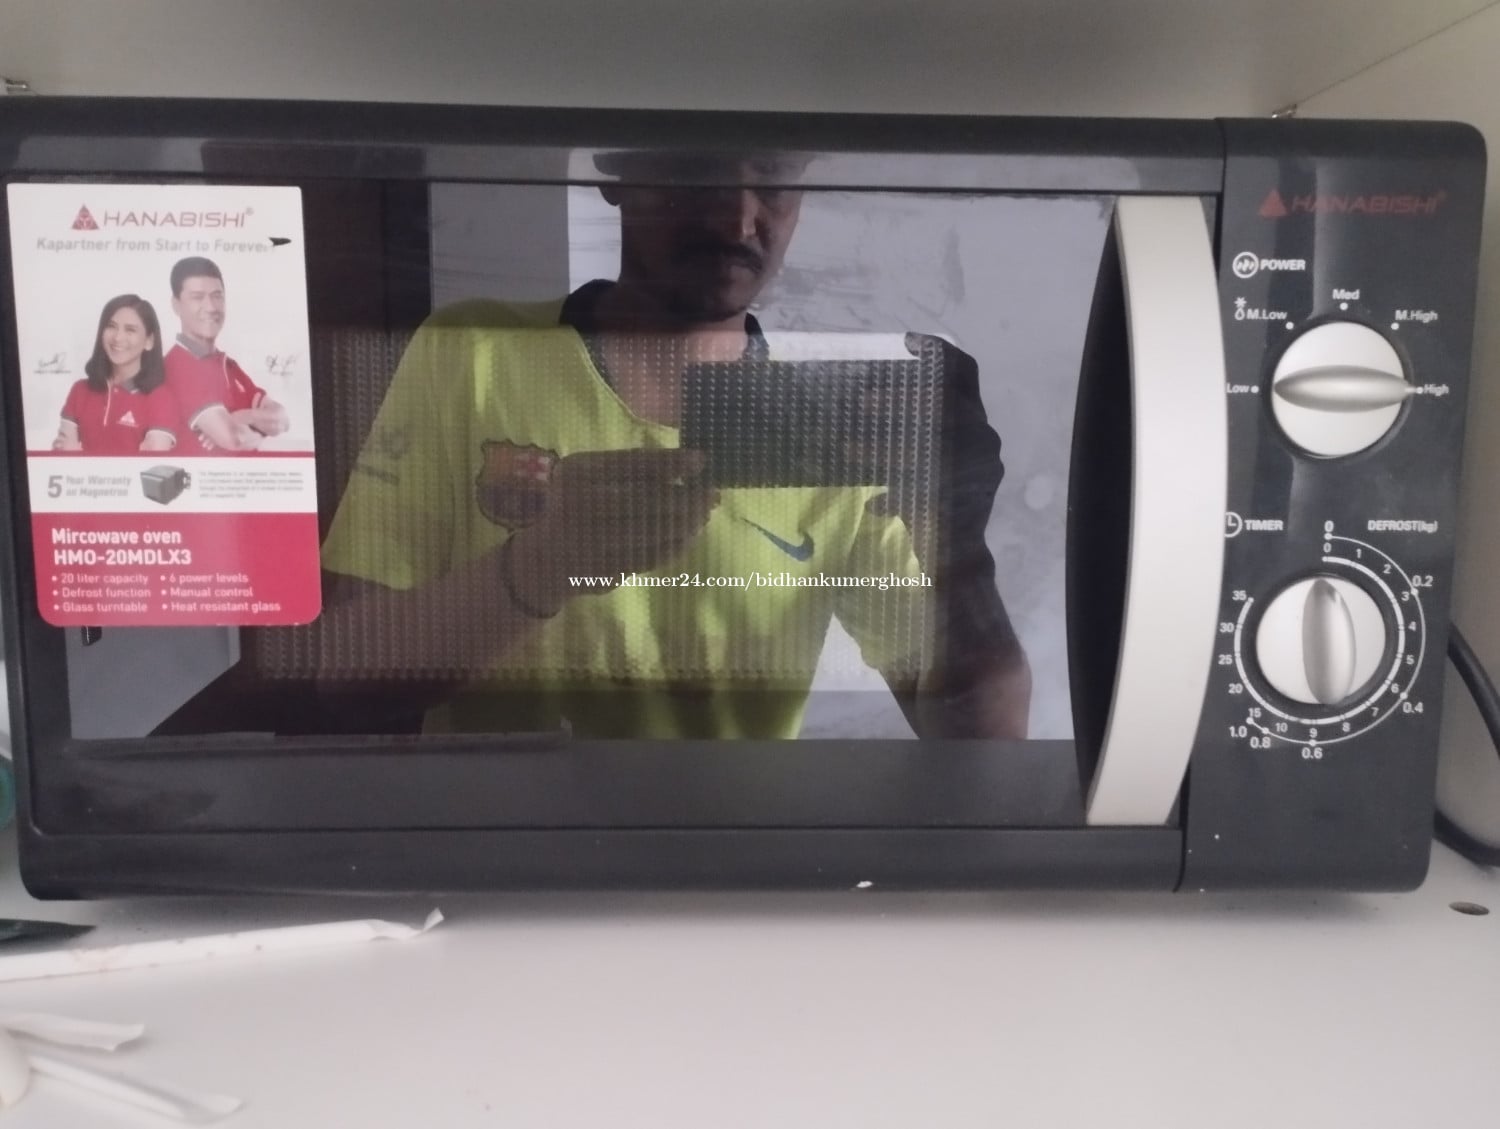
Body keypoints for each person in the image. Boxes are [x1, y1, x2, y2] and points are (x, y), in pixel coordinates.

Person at [320, 152, 1031, 739]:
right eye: (701, 170)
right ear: (616, 170)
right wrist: (542, 566)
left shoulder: (838, 423)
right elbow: (342, 672)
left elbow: (985, 740)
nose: (737, 219)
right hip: (513, 856)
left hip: (717, 863)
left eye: (774, 176)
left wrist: (958, 539)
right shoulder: (474, 351)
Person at [162, 256, 289, 453]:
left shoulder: (228, 365)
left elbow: (281, 420)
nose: (211, 307)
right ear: (176, 305)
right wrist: (258, 429)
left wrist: (241, 417)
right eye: (197, 297)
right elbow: (235, 438)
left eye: (217, 296)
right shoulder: (179, 366)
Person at [51, 294, 177, 454]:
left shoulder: (161, 399)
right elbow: (64, 455)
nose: (118, 337)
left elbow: (152, 462)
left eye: (130, 330)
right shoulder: (80, 391)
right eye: (111, 326)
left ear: (149, 341)